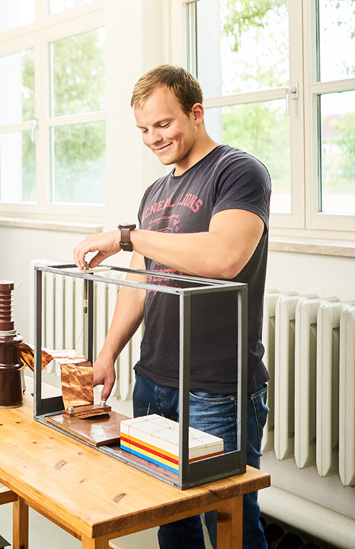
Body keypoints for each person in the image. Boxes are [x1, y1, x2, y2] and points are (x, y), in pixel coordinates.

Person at [72, 65, 270, 549]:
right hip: (154, 380)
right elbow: (140, 285)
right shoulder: (156, 192)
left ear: (196, 113)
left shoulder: (238, 171)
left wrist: (124, 236)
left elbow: (225, 258)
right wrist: (107, 354)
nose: (153, 138)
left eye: (163, 124)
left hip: (215, 389)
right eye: (143, 129)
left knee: (229, 523)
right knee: (170, 516)